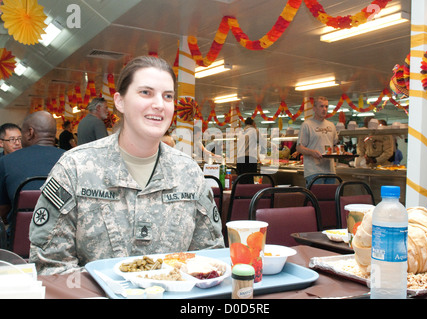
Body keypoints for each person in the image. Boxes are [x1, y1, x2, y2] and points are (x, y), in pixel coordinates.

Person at [29, 56, 225, 275]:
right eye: (145, 92)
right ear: (120, 101)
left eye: (167, 96)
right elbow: (49, 266)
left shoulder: (189, 174)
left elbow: (210, 257)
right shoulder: (76, 168)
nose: (159, 104)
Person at [0, 111, 65, 226]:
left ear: (30, 132)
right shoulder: (72, 159)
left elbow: (3, 211)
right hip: (64, 238)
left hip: (21, 239)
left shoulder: (6, 161)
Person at [296, 96, 339, 186]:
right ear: (314, 108)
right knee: (315, 199)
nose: (324, 109)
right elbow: (299, 147)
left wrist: (344, 154)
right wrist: (312, 152)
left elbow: (334, 147)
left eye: (326, 106)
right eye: (321, 106)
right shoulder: (307, 125)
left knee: (330, 199)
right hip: (313, 171)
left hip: (330, 170)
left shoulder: (331, 125)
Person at [236, 117, 261, 184]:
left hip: (239, 159)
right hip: (250, 158)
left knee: (241, 180)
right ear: (253, 123)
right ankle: (249, 194)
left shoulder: (241, 132)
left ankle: (241, 194)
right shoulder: (255, 131)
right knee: (250, 180)